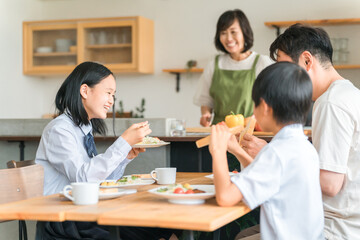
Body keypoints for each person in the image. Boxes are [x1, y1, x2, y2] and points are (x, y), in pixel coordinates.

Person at [242, 24, 360, 239]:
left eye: (284, 69)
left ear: (307, 61)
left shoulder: (330, 103)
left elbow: (330, 184)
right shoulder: (349, 94)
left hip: (334, 230)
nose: (281, 78)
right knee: (246, 233)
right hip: (342, 223)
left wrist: (269, 153)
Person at [35, 62, 176, 240]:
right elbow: (83, 179)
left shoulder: (83, 128)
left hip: (85, 211)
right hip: (64, 219)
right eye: (108, 93)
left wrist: (124, 157)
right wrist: (122, 143)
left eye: (113, 95)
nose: (111, 101)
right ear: (85, 91)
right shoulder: (59, 130)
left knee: (160, 229)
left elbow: (100, 182)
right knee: (147, 232)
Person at [209, 62, 324, 240]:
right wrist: (234, 149)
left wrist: (217, 151)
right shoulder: (304, 147)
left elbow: (225, 197)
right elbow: (267, 177)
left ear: (264, 107)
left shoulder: (277, 152)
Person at [193, 9, 273, 127]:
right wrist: (206, 115)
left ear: (245, 32)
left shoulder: (261, 63)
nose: (228, 38)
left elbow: (273, 100)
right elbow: (206, 101)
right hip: (220, 133)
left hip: (250, 133)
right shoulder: (214, 64)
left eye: (233, 32)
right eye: (223, 33)